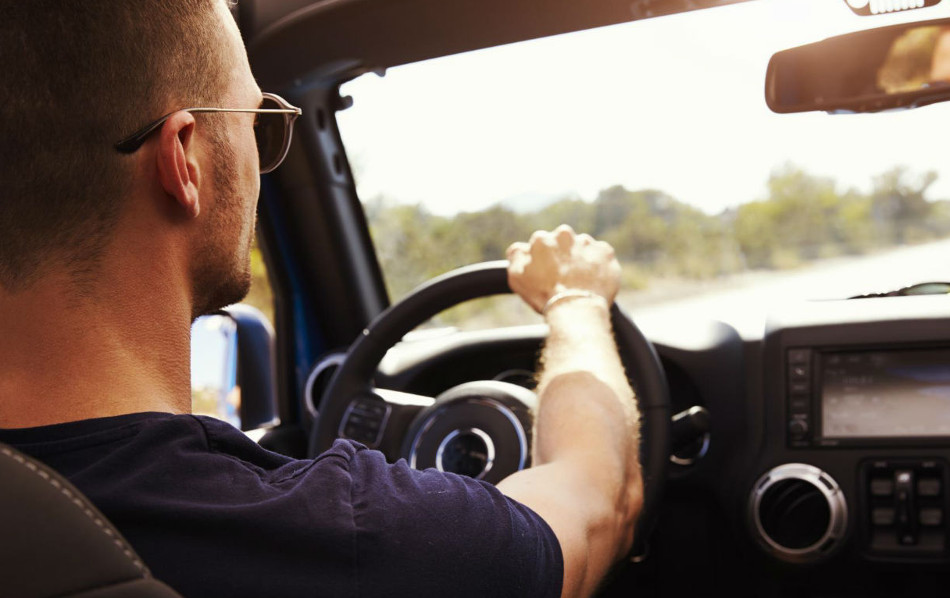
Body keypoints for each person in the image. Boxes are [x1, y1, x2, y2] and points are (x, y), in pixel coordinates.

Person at [0, 1, 643, 597]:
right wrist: (574, 300)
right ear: (185, 161)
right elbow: (599, 503)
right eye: (257, 122)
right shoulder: (350, 538)